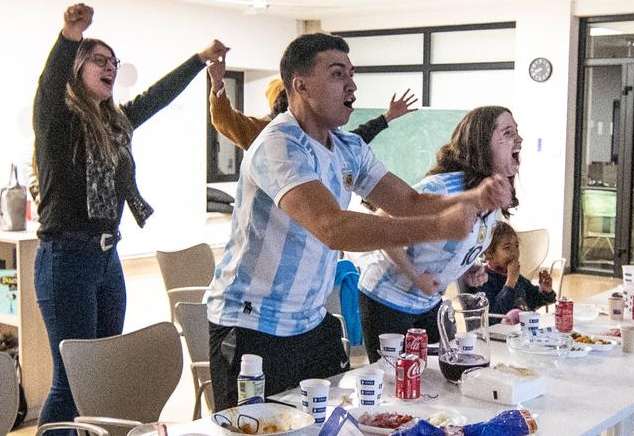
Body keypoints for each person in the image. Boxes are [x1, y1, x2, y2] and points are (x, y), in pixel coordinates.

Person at [204, 32, 509, 396]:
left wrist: (471, 198)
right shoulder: (278, 144)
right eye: (337, 74)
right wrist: (437, 227)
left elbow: (408, 202)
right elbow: (333, 227)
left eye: (351, 74)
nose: (352, 85)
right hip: (253, 324)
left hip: (310, 321)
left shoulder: (348, 147)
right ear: (300, 86)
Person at [32, 3, 225, 436]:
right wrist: (69, 35)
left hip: (105, 258)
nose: (111, 68)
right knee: (70, 376)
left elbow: (158, 96)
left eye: (114, 62)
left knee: (101, 374)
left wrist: (197, 61)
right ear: (76, 70)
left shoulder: (115, 123)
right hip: (66, 258)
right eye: (100, 60)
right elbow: (47, 86)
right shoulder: (57, 122)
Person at [356, 106, 520, 358]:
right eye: (508, 133)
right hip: (387, 297)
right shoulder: (441, 186)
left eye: (517, 132)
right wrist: (415, 277)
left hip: (429, 302)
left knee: (442, 366)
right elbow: (381, 228)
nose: (519, 140)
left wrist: (467, 267)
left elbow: (459, 242)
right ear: (481, 143)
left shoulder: (492, 196)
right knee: (396, 380)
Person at [205, 59, 414, 150]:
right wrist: (217, 84)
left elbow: (355, 139)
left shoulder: (325, 134)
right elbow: (227, 121)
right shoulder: (266, 132)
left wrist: (387, 117)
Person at [473, 220, 555, 319]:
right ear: (489, 253)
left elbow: (535, 300)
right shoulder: (482, 280)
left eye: (516, 246)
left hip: (521, 330)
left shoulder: (518, 279)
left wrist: (546, 291)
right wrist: (510, 283)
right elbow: (492, 318)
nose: (515, 252)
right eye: (507, 247)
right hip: (500, 333)